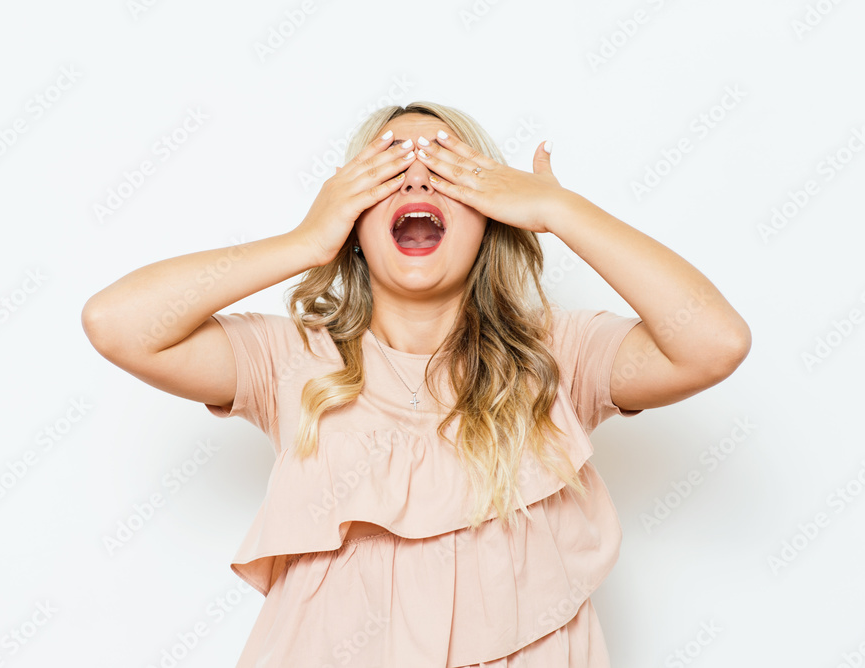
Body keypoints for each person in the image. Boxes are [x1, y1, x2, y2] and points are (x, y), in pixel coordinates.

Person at [81, 101, 751, 667]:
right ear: (352, 219)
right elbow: (116, 324)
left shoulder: (556, 357)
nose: (416, 181)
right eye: (388, 169)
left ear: (492, 211)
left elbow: (715, 343)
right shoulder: (290, 357)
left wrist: (559, 209)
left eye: (448, 167)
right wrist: (305, 241)